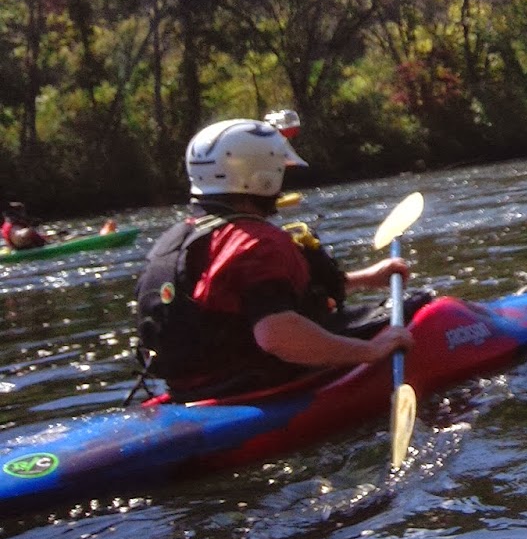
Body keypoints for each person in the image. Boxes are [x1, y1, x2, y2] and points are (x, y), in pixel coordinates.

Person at [135, 111, 414, 402]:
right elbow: (277, 336)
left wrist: (363, 280)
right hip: (248, 383)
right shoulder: (256, 242)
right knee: (419, 309)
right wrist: (372, 351)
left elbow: (240, 303)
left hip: (189, 388)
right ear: (265, 178)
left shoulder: (180, 238)